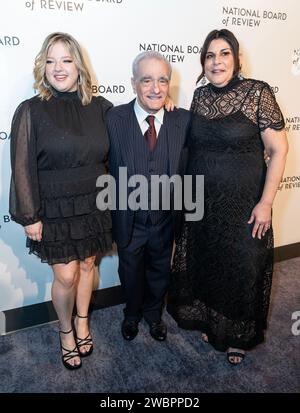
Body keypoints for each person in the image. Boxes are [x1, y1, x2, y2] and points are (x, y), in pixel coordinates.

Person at [167, 29, 288, 364]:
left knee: (242, 266)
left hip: (245, 206)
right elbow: (189, 142)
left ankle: (237, 335)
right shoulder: (200, 96)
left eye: (224, 54)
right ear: (202, 62)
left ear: (237, 60)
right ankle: (212, 322)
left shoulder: (257, 93)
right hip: (204, 205)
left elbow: (278, 151)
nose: (216, 61)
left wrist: (266, 203)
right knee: (207, 263)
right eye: (209, 55)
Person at [9, 32, 112, 370]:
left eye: (66, 60)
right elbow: (21, 166)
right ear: (43, 66)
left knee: (87, 267)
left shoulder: (100, 108)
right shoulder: (31, 110)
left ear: (79, 66)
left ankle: (83, 320)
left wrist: (162, 105)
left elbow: (135, 125)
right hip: (54, 207)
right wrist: (29, 215)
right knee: (66, 276)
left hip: (94, 202)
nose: (58, 68)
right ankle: (65, 331)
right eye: (51, 60)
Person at [107, 51, 191, 342]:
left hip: (166, 219)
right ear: (133, 83)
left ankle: (154, 315)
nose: (155, 88)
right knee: (129, 273)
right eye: (147, 80)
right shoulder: (113, 118)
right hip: (129, 220)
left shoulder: (183, 121)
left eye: (162, 80)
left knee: (159, 272)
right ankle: (131, 314)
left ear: (169, 85)